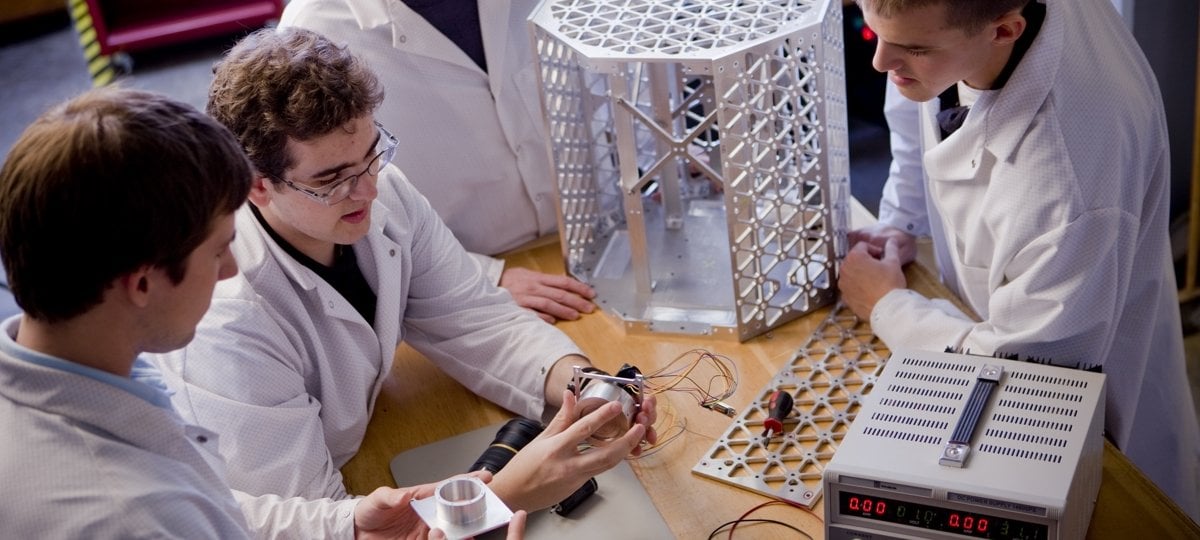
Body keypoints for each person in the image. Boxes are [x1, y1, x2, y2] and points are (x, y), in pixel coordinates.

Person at [149, 26, 656, 532]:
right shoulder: (227, 315)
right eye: (331, 180)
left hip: (364, 453)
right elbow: (304, 516)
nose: (367, 190)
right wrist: (508, 493)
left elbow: (475, 319)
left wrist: (584, 385)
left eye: (373, 154)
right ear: (257, 186)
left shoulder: (383, 191)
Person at [0, 86, 510, 539]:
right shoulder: (129, 515)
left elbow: (215, 508)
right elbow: (183, 515)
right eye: (218, 250)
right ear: (141, 283)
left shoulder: (86, 370)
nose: (229, 271)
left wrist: (342, 527)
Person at [838, 0, 1200, 517]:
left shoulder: (1066, 183)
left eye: (913, 47)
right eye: (875, 32)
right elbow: (914, 94)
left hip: (1080, 429)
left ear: (1006, 29)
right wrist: (902, 219)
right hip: (998, 302)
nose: (879, 62)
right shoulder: (954, 32)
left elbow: (1020, 377)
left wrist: (887, 306)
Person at [279, 0, 597, 324]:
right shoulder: (317, 31)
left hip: (602, 246)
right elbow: (320, 209)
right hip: (459, 292)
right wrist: (479, 277)